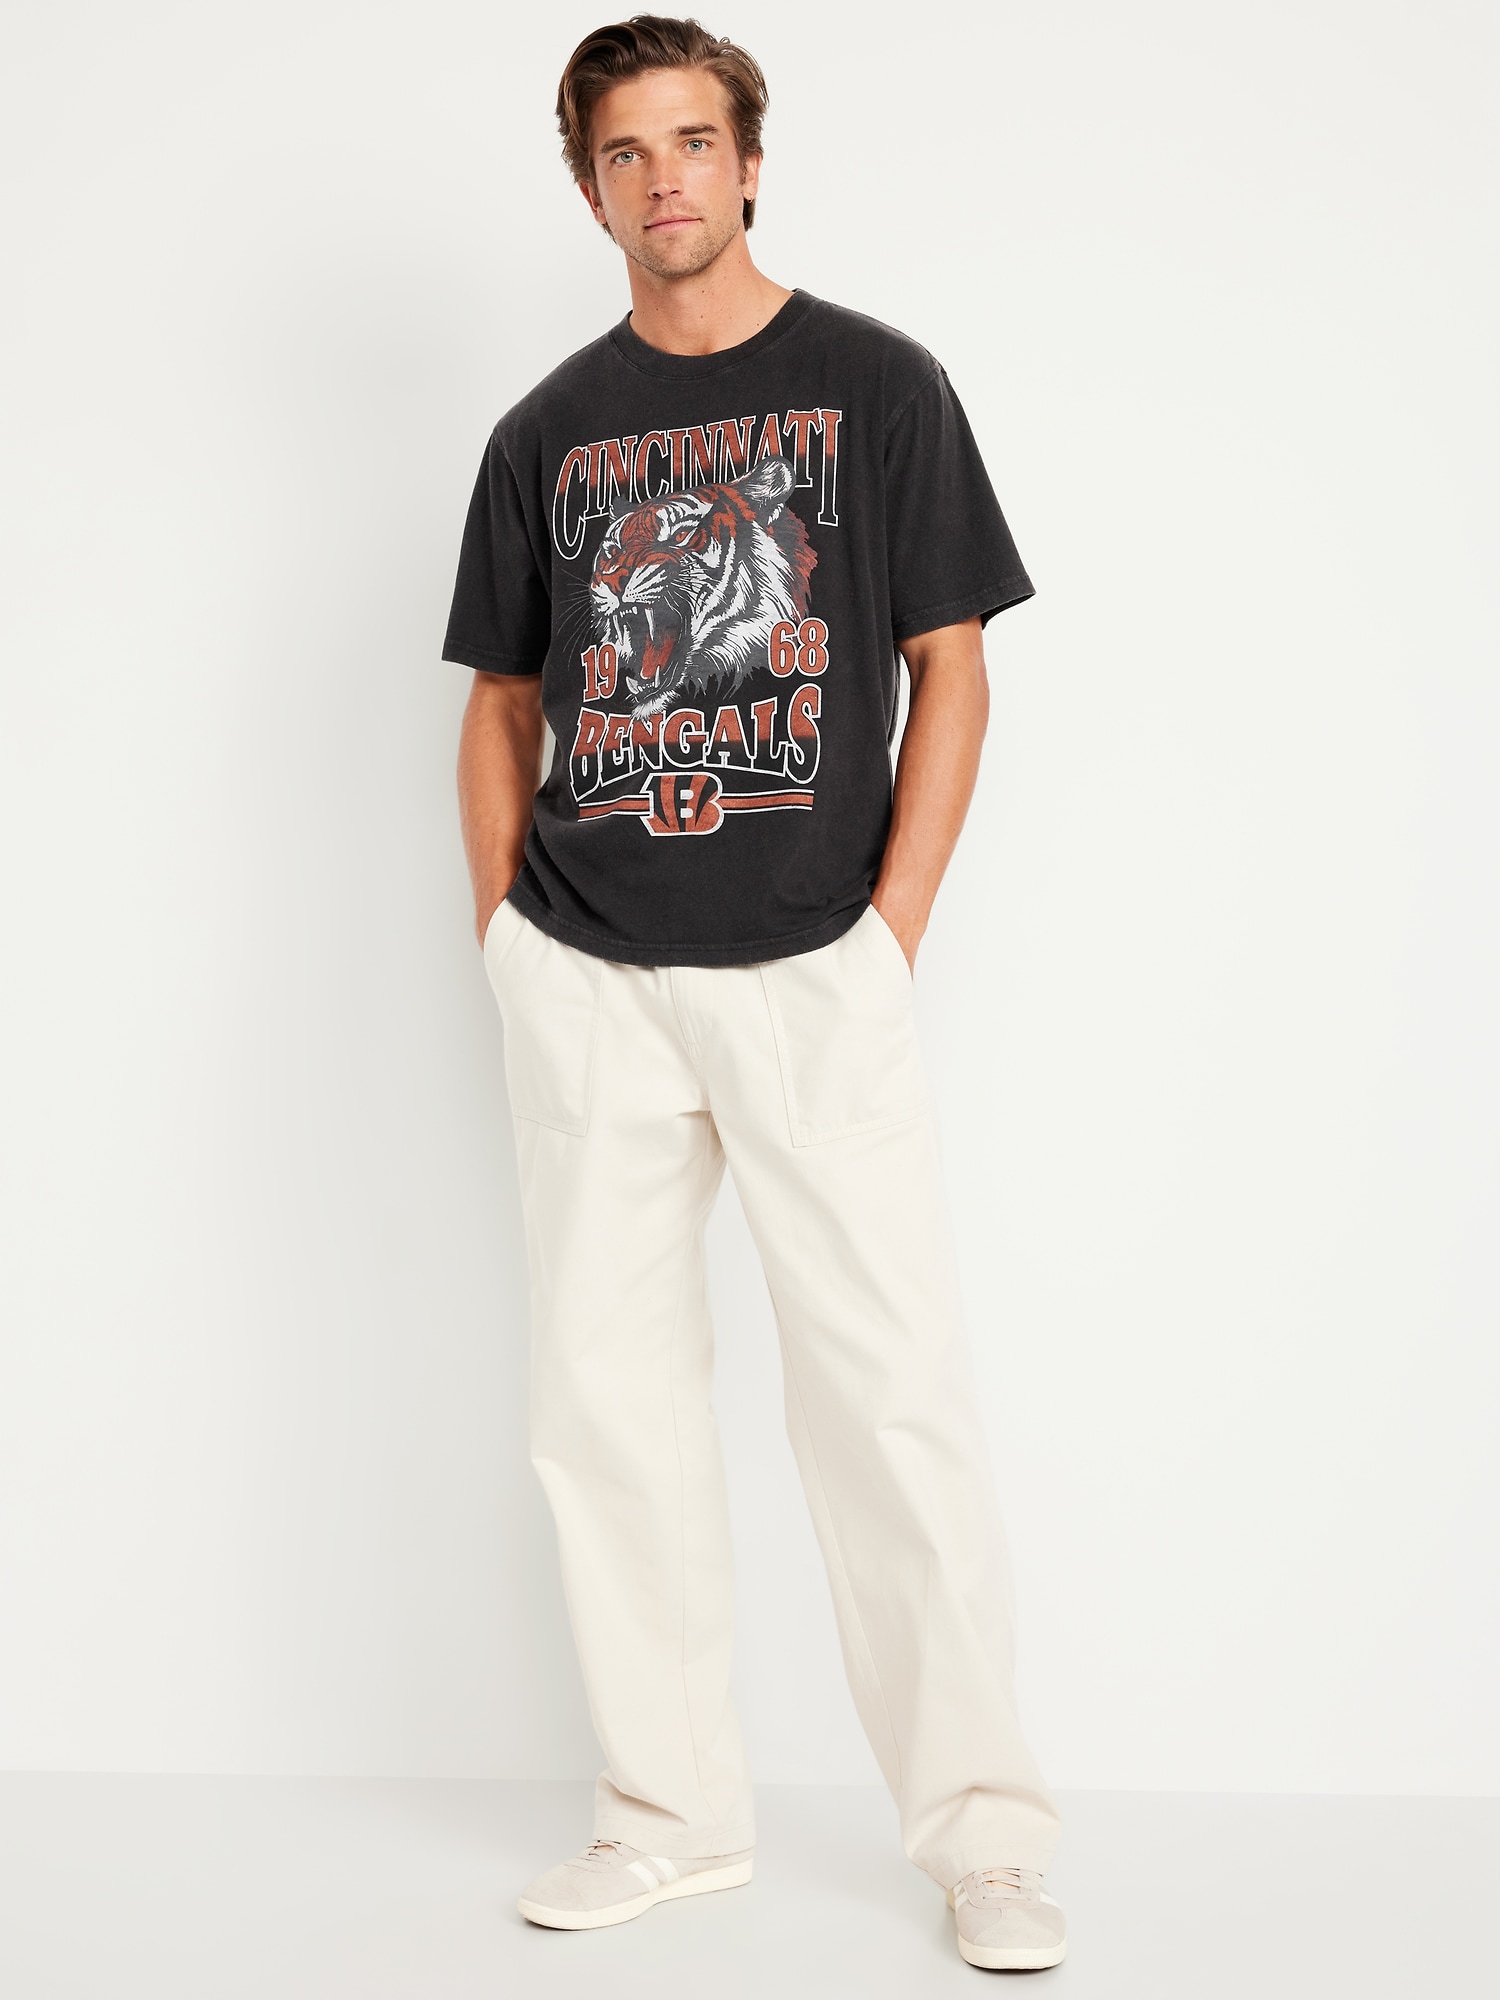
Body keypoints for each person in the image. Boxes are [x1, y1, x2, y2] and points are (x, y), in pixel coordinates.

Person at [441, 14, 1066, 1974]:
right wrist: (503, 934)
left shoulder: (879, 386)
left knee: (890, 1406)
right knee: (606, 1413)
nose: (667, 181)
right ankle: (670, 1818)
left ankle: (985, 1837)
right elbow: (503, 701)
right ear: (589, 189)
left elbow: (952, 666)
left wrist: (891, 930)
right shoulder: (545, 432)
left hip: (814, 967)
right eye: (627, 153)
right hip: (589, 975)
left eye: (696, 142)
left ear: (752, 162)